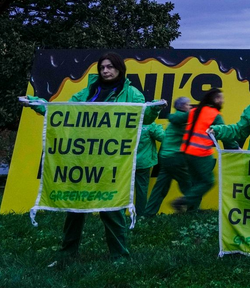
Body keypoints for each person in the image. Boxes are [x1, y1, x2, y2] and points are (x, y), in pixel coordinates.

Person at [24, 52, 162, 261]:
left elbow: (141, 118)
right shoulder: (88, 92)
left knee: (112, 209)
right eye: (102, 67)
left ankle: (119, 255)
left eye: (110, 67)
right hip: (84, 159)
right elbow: (63, 112)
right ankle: (68, 252)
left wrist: (154, 111)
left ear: (120, 69)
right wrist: (36, 103)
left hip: (111, 160)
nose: (105, 71)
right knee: (75, 207)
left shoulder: (132, 94)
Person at [171, 88, 237, 212]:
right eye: (220, 98)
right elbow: (225, 135)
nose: (222, 101)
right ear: (215, 99)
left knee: (196, 182)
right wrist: (235, 149)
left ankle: (191, 212)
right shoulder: (215, 115)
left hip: (186, 152)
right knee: (208, 181)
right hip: (201, 153)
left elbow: (176, 119)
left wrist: (168, 114)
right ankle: (183, 201)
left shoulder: (194, 111)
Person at [142, 97, 193, 216]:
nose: (190, 107)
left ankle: (148, 214)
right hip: (176, 158)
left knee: (160, 188)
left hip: (165, 157)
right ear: (182, 106)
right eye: (188, 105)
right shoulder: (182, 118)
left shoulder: (177, 118)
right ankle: (192, 212)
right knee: (190, 186)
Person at [134, 122, 164, 216]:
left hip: (127, 162)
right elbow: (163, 137)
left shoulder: (128, 121)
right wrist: (159, 126)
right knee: (142, 189)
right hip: (143, 163)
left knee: (124, 190)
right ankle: (141, 214)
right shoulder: (150, 125)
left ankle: (120, 214)